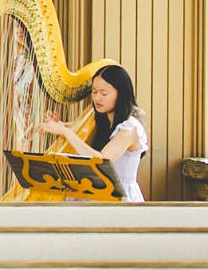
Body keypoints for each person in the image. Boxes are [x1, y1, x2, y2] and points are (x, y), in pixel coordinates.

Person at [36, 63, 148, 202]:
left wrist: (65, 131)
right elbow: (76, 130)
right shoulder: (102, 121)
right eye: (94, 92)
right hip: (95, 193)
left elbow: (101, 161)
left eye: (104, 93)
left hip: (118, 198)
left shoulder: (130, 128)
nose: (97, 98)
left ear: (121, 93)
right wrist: (57, 125)